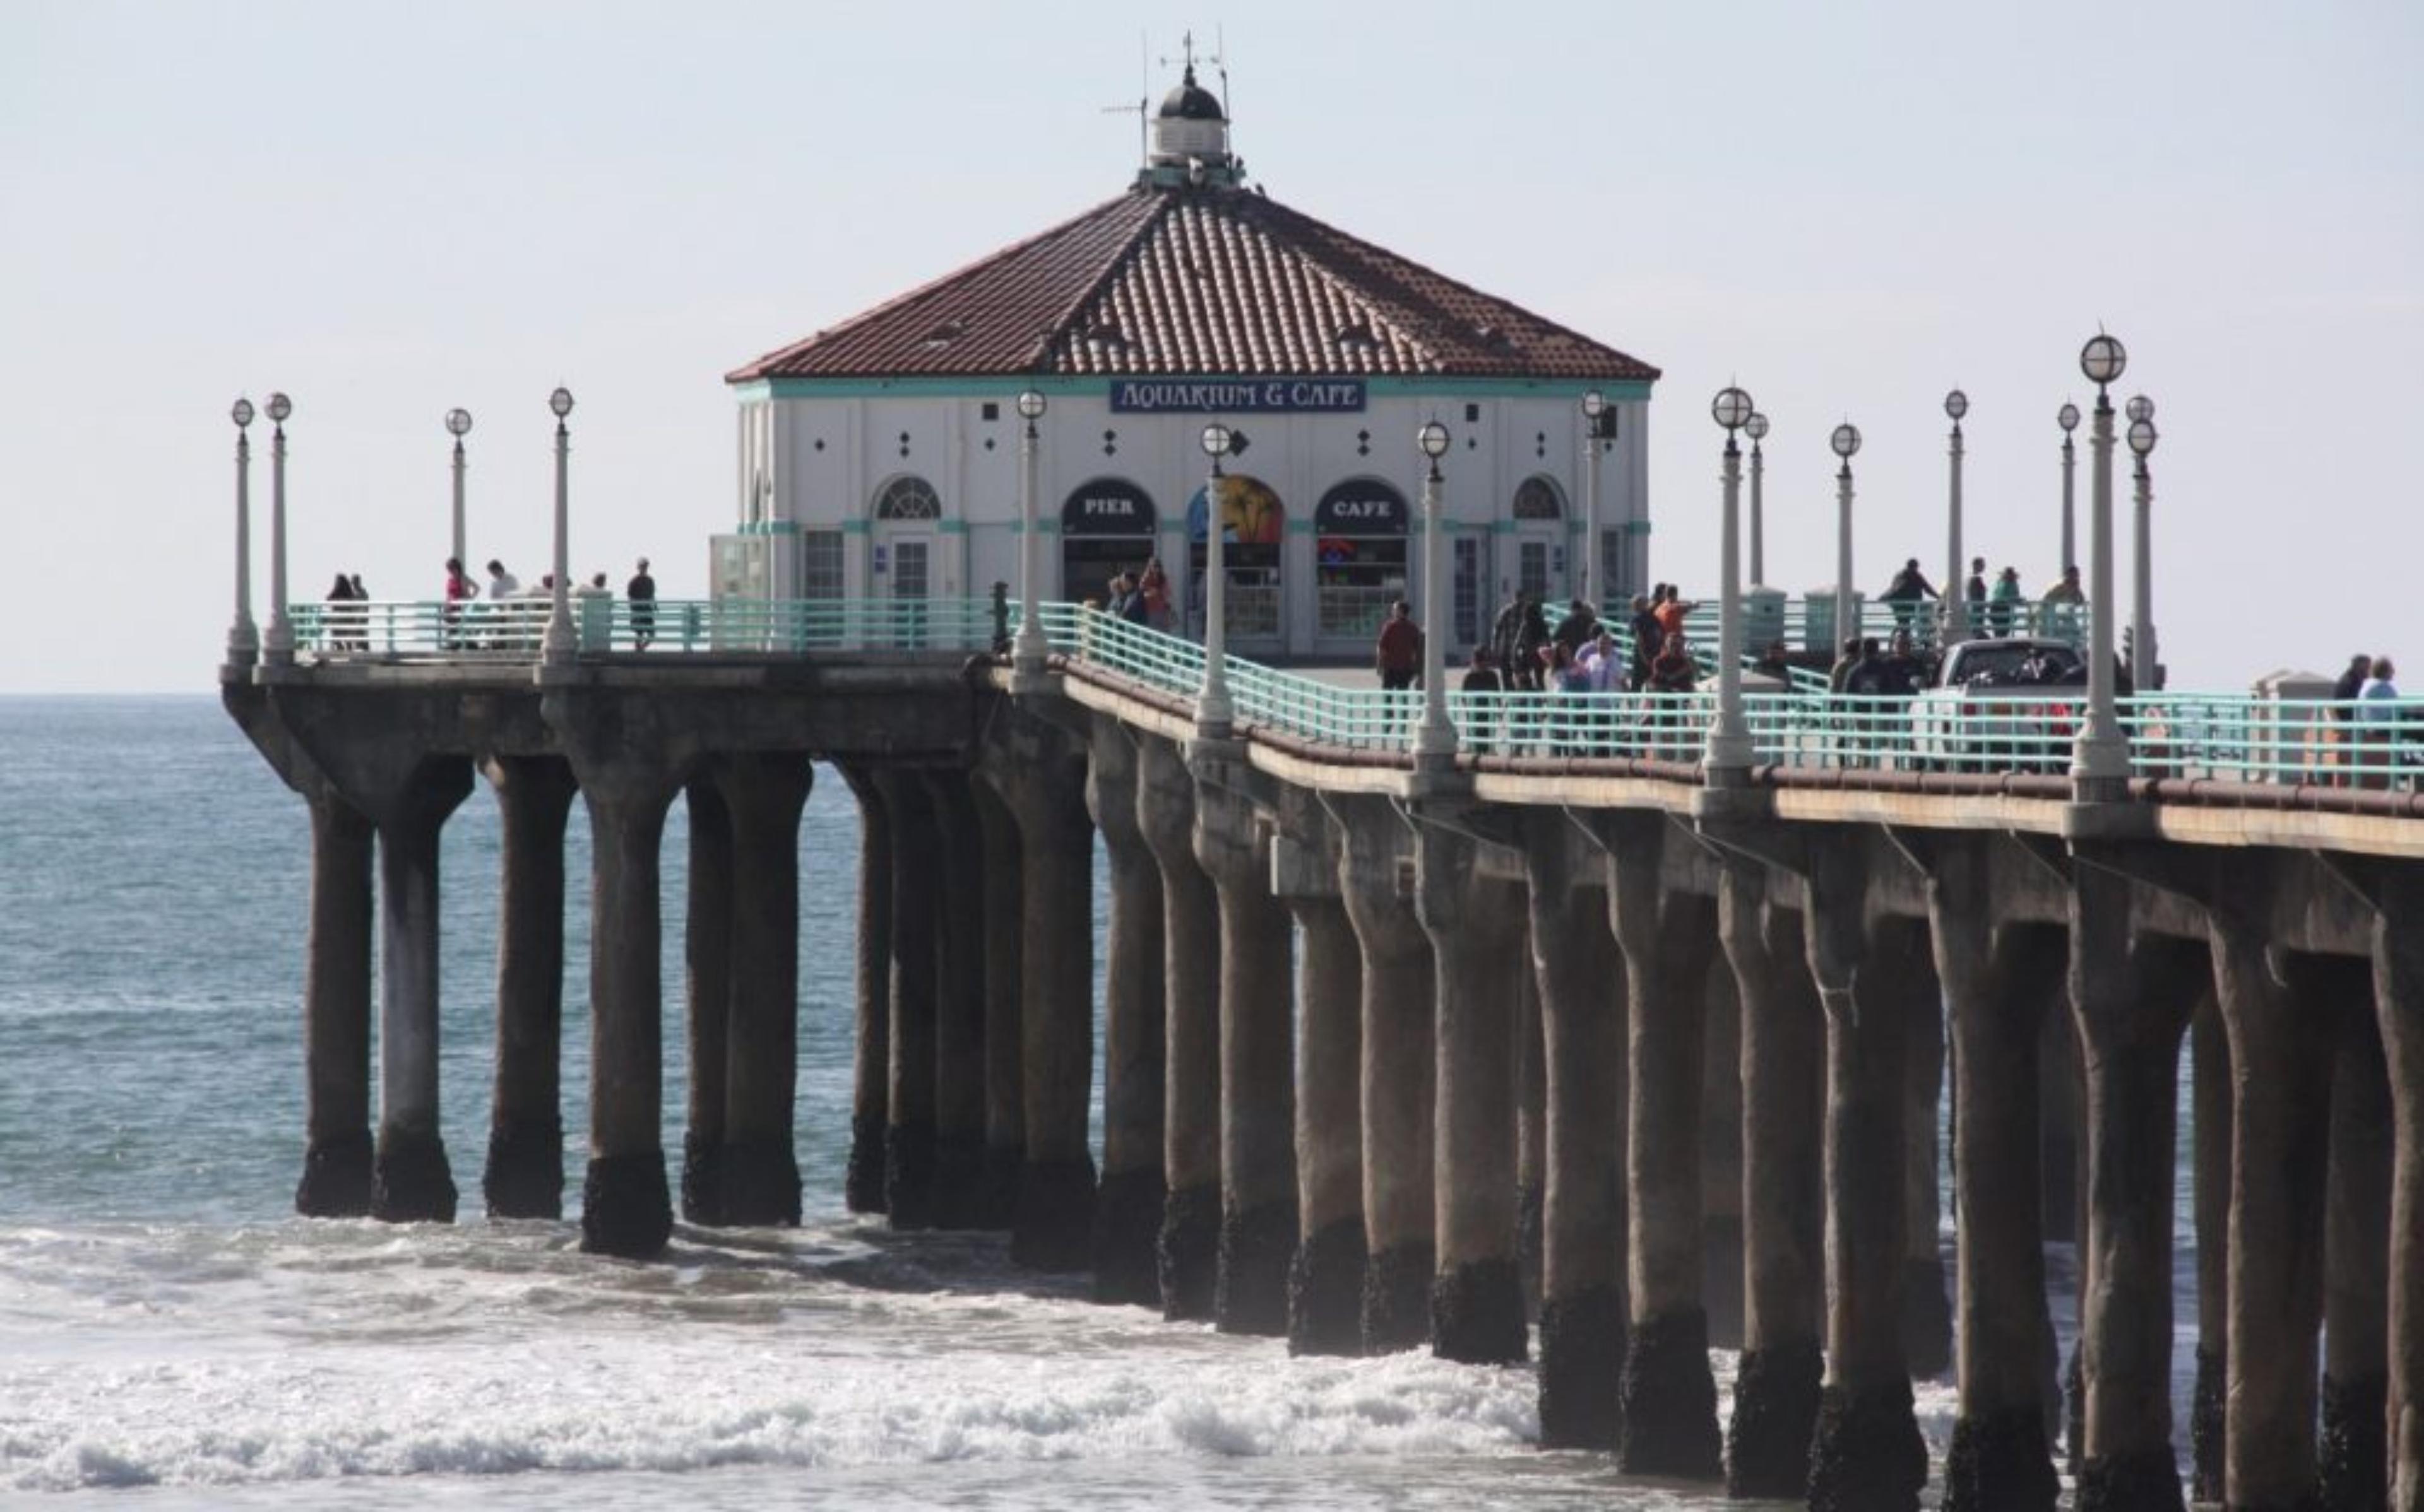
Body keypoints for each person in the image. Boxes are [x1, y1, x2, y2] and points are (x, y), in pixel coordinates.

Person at [2360, 656, 2401, 788]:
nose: (2394, 672)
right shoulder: (2382, 686)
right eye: (2391, 669)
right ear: (2385, 671)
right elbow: (2396, 709)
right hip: (2383, 726)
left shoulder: (2367, 684)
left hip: (2371, 725)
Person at [2332, 652, 2372, 785]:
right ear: (2358, 665)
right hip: (2349, 719)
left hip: (2350, 718)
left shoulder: (2353, 678)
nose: (2369, 669)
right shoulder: (2351, 681)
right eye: (2367, 665)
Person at [1882, 558, 1937, 639]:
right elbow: (1927, 589)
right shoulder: (1909, 575)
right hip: (1906, 607)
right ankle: (1917, 638)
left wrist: (1937, 596)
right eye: (1915, 568)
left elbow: (1927, 588)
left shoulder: (1905, 575)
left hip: (1904, 606)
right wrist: (1938, 597)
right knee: (1919, 617)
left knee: (1907, 626)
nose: (1915, 570)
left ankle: (1918, 637)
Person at [1375, 599, 1423, 692]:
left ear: (1400, 611)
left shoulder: (1390, 627)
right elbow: (1417, 650)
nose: (1392, 611)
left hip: (1390, 667)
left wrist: (1379, 665)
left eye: (1394, 609)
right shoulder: (1413, 628)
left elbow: (1382, 647)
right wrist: (1416, 669)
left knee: (1387, 695)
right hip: (1406, 667)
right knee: (1403, 695)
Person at [2040, 564, 2086, 643]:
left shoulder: (2075, 588)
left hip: (2065, 615)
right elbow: (2048, 599)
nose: (2075, 578)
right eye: (2073, 575)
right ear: (2068, 575)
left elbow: (2081, 602)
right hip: (2051, 613)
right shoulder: (2060, 586)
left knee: (2075, 631)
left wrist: (2077, 590)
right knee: (2054, 632)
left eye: (2076, 576)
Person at [444, 557, 478, 649]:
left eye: (452, 568)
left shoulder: (463, 578)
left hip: (460, 606)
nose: (450, 571)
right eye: (449, 569)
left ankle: (457, 644)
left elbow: (476, 587)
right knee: (450, 627)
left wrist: (470, 599)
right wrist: (447, 604)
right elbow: (449, 594)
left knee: (459, 626)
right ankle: (451, 644)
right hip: (451, 606)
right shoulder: (450, 580)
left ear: (457, 568)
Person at [627, 557, 657, 650]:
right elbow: (630, 596)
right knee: (639, 633)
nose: (644, 568)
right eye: (643, 566)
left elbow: (652, 595)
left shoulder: (650, 580)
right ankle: (638, 649)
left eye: (646, 566)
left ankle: (641, 649)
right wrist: (634, 607)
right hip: (638, 610)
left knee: (651, 634)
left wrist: (655, 606)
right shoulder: (634, 581)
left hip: (647, 610)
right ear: (638, 567)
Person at [324, 572, 357, 653]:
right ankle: (349, 652)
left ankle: (341, 648)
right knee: (347, 637)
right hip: (349, 619)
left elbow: (328, 598)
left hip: (339, 619)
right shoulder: (350, 593)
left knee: (335, 634)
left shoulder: (336, 592)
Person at [1138, 557, 1171, 630]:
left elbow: (1167, 592)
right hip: (1150, 611)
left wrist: (1160, 592)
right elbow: (1141, 594)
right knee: (1153, 631)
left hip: (1162, 610)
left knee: (1164, 631)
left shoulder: (1163, 578)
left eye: (1158, 566)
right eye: (1154, 566)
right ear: (1150, 567)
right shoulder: (1145, 579)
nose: (1156, 569)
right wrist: (1150, 594)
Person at [1989, 566, 2023, 637]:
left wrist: (2017, 600)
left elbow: (2012, 597)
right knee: (2002, 631)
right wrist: (2019, 600)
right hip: (2001, 608)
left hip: (1997, 608)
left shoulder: (2000, 583)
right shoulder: (2007, 584)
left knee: (2000, 631)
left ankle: (1999, 639)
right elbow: (2009, 597)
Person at [1965, 556, 1990, 638]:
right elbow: (1977, 594)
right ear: (1976, 565)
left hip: (1974, 608)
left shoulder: (1969, 578)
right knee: (1977, 630)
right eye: (1982, 564)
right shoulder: (1975, 579)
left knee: (1976, 629)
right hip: (1977, 608)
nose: (1984, 567)